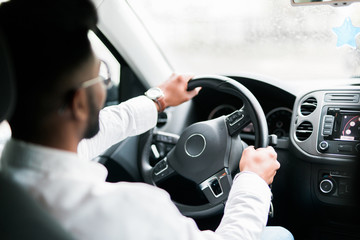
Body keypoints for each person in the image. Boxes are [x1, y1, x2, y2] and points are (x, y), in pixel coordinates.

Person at [0, 0, 293, 239]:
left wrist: (158, 101)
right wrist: (253, 181)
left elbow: (94, 134)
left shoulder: (13, 179)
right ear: (78, 103)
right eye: (102, 77)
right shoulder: (127, 212)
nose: (105, 88)